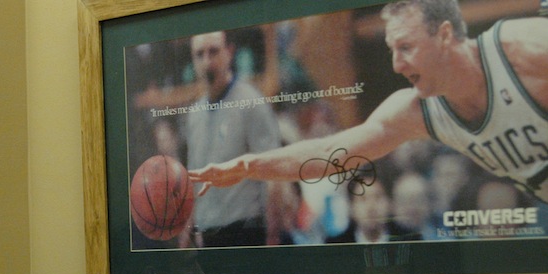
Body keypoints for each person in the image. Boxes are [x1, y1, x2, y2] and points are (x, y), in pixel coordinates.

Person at [188, 1, 548, 205]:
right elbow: (330, 153)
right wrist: (248, 165)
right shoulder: (418, 110)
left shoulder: (519, 49)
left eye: (406, 48)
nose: (396, 64)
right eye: (392, 50)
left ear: (444, 36)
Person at [179, 30, 283, 248]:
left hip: (245, 230)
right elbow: (193, 178)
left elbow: (272, 173)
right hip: (208, 233)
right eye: (199, 54)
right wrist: (188, 232)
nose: (207, 61)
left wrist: (273, 234)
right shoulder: (194, 114)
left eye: (213, 52)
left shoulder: (251, 102)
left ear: (229, 52)